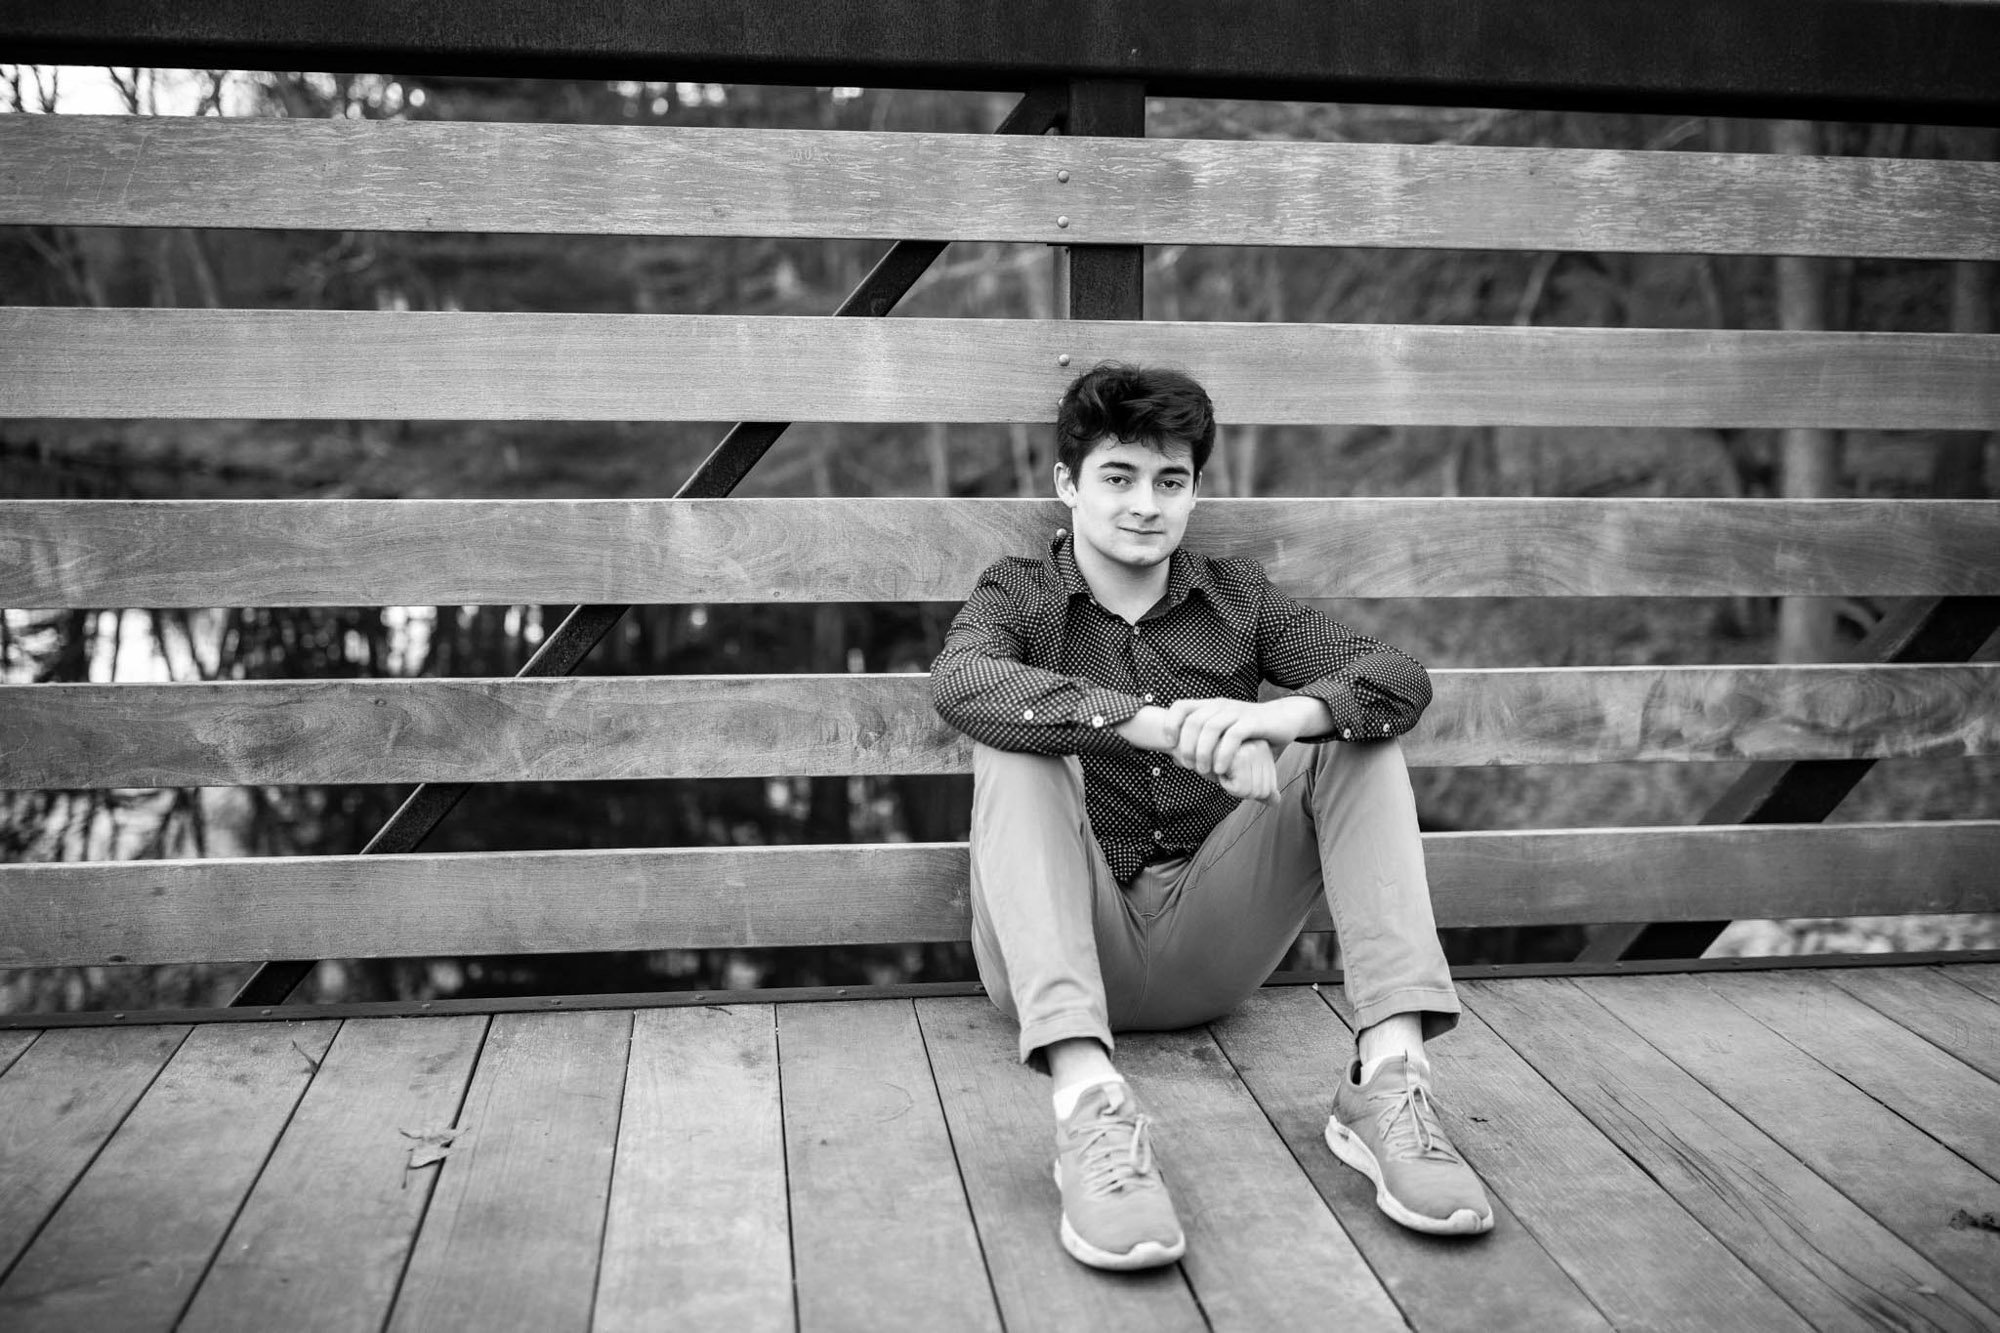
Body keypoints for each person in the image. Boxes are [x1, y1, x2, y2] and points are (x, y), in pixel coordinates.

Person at [930, 362, 1493, 1271]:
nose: (1145, 504)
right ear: (1068, 484)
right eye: (1117, 477)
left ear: (1194, 490)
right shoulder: (1019, 597)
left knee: (1357, 731)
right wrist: (1153, 725)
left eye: (1171, 480)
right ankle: (1088, 1112)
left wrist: (1277, 718)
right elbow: (962, 682)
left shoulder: (1237, 600)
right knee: (1014, 740)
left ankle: (1388, 1084)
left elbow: (1397, 677)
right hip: (1066, 951)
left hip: (1211, 941)